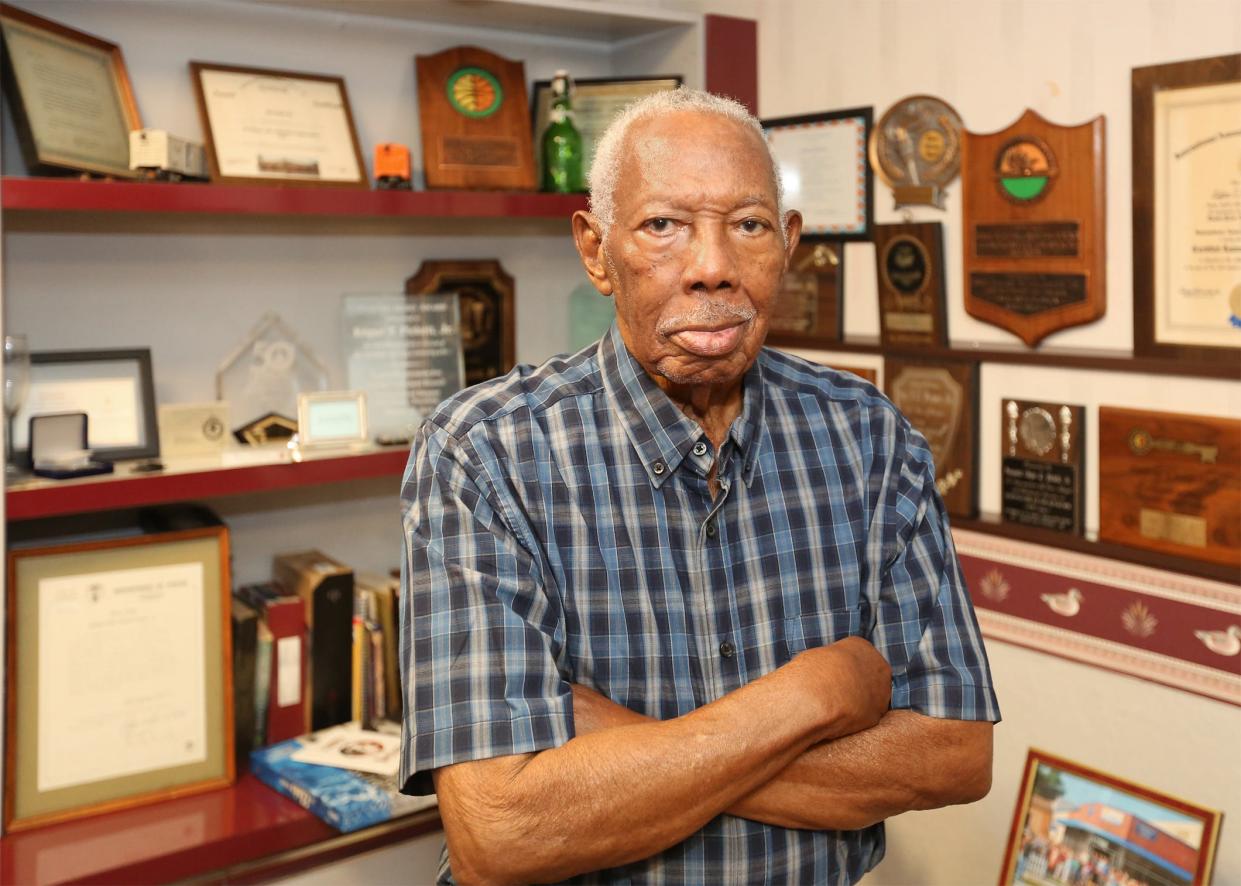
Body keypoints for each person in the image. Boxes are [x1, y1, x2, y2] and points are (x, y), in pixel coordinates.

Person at [399, 87, 1000, 885]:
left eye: (747, 225)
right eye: (662, 225)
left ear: (786, 243)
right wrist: (813, 695)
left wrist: (623, 741)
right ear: (594, 249)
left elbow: (953, 756)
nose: (711, 268)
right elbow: (502, 831)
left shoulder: (868, 437)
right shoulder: (485, 451)